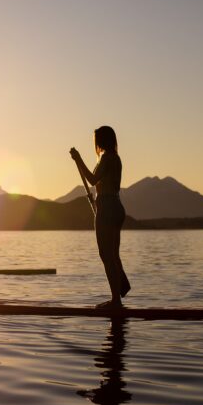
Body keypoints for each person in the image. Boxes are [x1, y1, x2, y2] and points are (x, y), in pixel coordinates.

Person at [70, 126, 131, 308]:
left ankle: (115, 300)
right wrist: (96, 197)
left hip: (107, 207)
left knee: (106, 255)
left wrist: (78, 159)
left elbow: (92, 179)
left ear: (102, 140)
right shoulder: (116, 158)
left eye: (96, 140)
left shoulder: (106, 157)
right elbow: (104, 184)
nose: (95, 143)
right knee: (113, 254)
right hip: (116, 205)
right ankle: (119, 293)